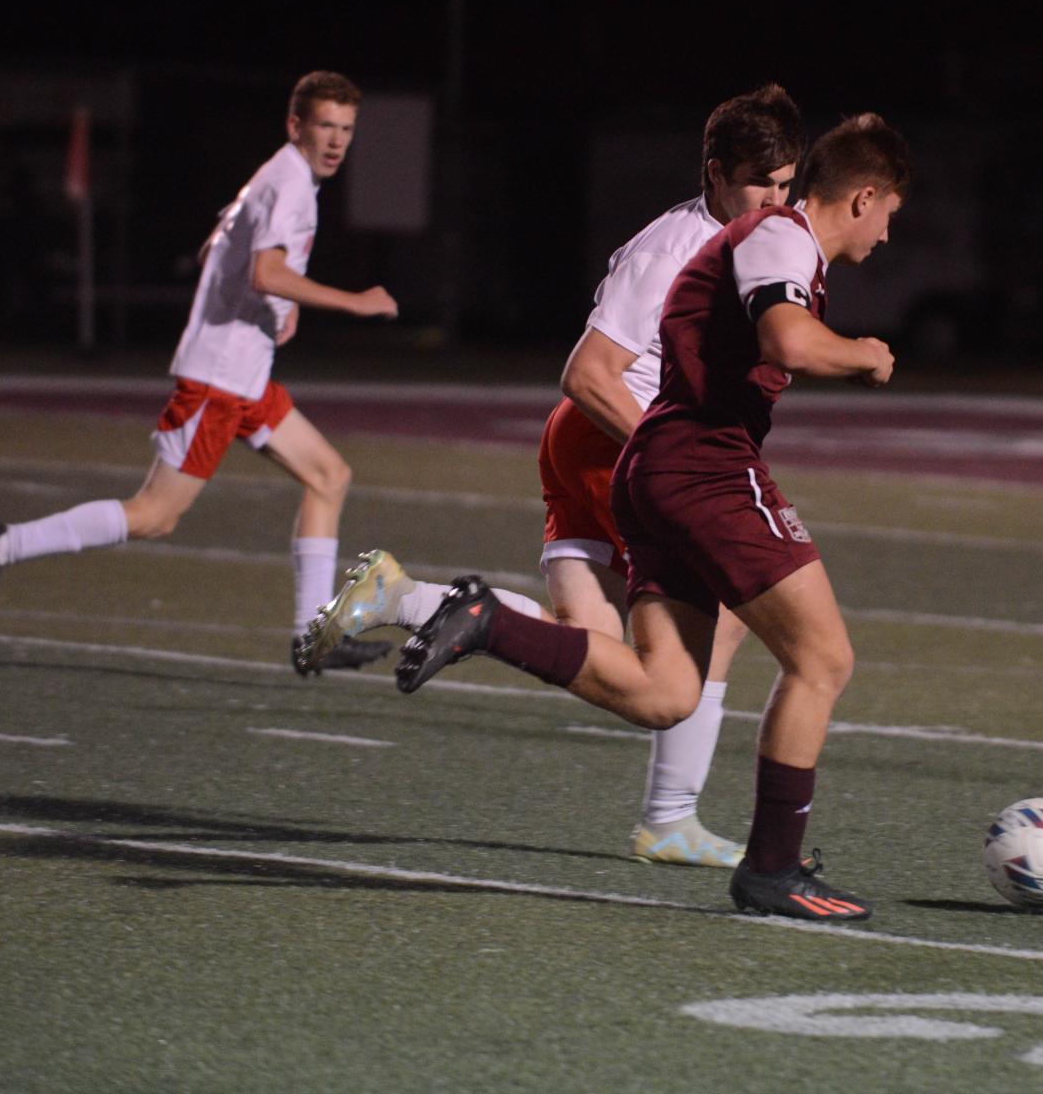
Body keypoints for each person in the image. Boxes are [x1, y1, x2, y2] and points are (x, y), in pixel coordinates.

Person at [394, 113, 910, 922]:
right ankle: (771, 867)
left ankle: (486, 619)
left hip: (661, 468)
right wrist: (863, 352)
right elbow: (786, 340)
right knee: (822, 658)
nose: (886, 236)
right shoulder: (781, 236)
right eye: (889, 215)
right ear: (865, 196)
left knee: (666, 690)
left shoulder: (771, 240)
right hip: (701, 467)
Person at [301, 84, 805, 869]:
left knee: (592, 647)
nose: (774, 203)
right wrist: (679, 457)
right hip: (610, 438)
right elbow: (588, 372)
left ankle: (399, 596)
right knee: (726, 615)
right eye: (758, 185)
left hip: (582, 446)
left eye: (785, 187)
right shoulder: (673, 248)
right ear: (713, 172)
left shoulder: (745, 237)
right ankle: (669, 819)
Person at [0, 70, 400, 672]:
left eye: (346, 129)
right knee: (155, 516)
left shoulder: (278, 177)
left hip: (244, 378)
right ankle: (1, 545)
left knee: (328, 475)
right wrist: (352, 301)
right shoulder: (289, 183)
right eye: (325, 126)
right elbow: (263, 271)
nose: (336, 140)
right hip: (219, 380)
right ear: (296, 126)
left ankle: (312, 636)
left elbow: (219, 244)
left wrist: (279, 305)